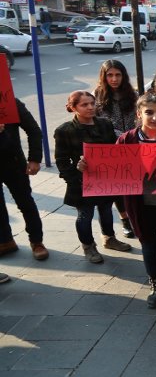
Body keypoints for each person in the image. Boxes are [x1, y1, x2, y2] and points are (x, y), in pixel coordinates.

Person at [94, 93, 156, 308]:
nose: (155, 117)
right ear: (139, 114)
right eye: (149, 112)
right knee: (149, 245)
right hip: (141, 205)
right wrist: (88, 166)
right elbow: (112, 168)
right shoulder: (127, 139)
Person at [54, 91, 130, 263]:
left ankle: (109, 238)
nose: (90, 107)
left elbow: (114, 148)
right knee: (85, 215)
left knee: (106, 210)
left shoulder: (105, 124)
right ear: (73, 108)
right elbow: (61, 159)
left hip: (105, 179)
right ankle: (88, 246)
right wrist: (76, 172)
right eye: (84, 105)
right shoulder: (65, 130)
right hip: (81, 181)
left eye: (92, 103)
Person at [94, 60, 138, 243]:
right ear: (104, 77)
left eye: (117, 75)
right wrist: (123, 136)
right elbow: (100, 122)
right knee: (117, 188)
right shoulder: (97, 95)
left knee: (133, 185)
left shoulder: (132, 93)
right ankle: (125, 219)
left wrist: (134, 135)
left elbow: (139, 117)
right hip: (110, 147)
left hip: (133, 146)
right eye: (110, 75)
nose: (114, 79)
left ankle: (135, 218)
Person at [0, 98, 48, 261]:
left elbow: (34, 130)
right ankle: (5, 241)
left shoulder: (10, 102)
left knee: (25, 202)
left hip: (13, 163)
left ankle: (37, 242)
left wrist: (34, 159)